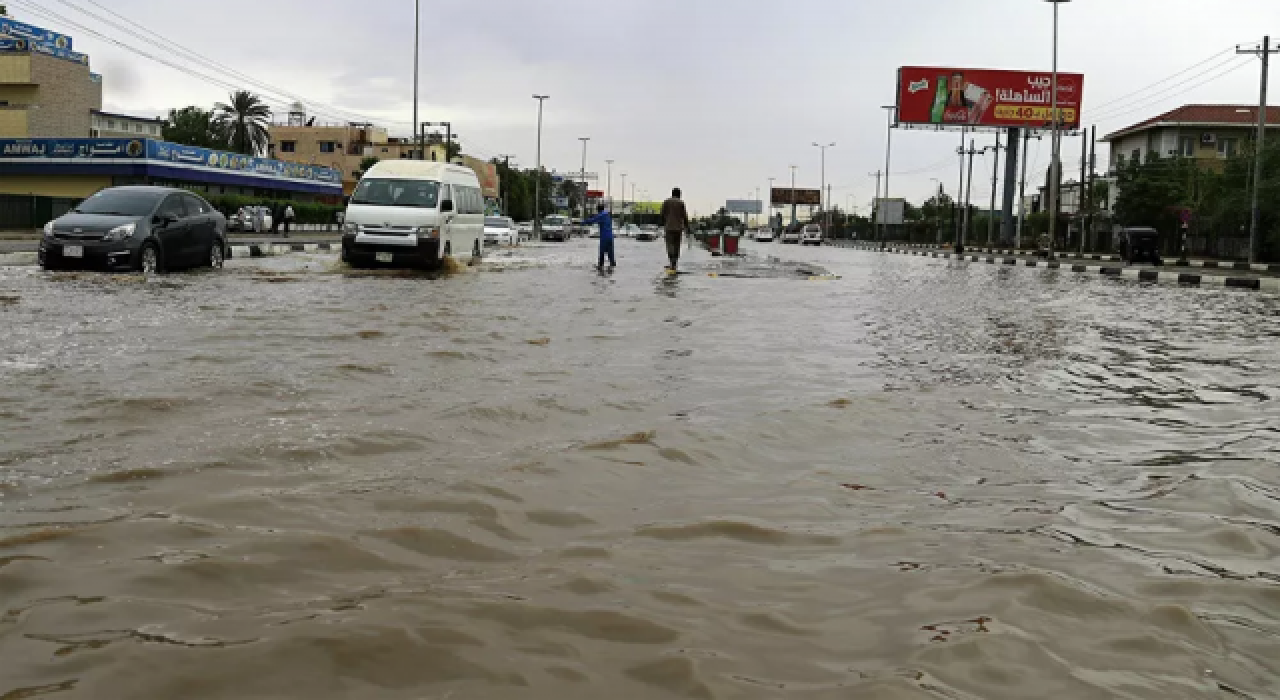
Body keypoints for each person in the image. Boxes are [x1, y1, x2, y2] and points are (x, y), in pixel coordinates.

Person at [660, 187, 691, 270]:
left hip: (669, 227)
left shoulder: (666, 202)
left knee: (670, 245)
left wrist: (664, 223)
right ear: (679, 194)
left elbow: (662, 214)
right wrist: (687, 227)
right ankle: (674, 263)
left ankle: (671, 262)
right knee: (677, 246)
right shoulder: (681, 203)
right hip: (678, 228)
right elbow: (684, 216)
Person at [583, 204, 615, 270]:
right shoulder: (607, 215)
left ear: (598, 210)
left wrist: (583, 222)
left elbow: (592, 221)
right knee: (610, 251)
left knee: (602, 251)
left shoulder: (601, 215)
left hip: (604, 237)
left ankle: (600, 265)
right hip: (610, 236)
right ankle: (612, 264)